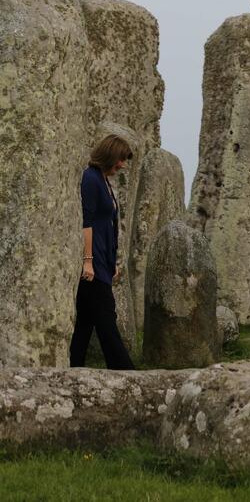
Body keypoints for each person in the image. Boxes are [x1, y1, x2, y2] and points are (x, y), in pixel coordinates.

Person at [69, 134, 135, 370]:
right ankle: (126, 373)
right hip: (92, 261)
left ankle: (74, 367)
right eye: (120, 159)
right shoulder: (90, 178)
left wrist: (111, 261)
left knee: (86, 322)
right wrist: (88, 261)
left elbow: (109, 223)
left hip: (102, 261)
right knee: (107, 319)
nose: (122, 165)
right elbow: (86, 222)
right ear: (109, 155)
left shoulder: (103, 180)